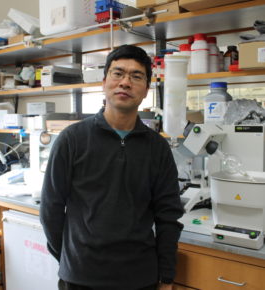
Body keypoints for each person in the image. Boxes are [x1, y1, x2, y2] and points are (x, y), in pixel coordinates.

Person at [40, 44, 184, 290]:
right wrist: (71, 260)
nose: (125, 82)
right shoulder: (72, 139)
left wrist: (166, 277)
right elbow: (51, 210)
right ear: (104, 81)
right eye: (118, 73)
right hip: (81, 278)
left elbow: (168, 217)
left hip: (140, 279)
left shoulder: (157, 148)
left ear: (146, 89)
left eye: (136, 76)